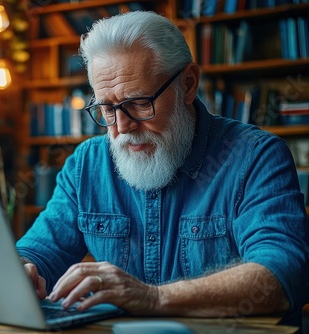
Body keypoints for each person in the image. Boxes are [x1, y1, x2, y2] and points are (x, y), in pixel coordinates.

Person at [16, 10, 309, 327]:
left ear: (188, 84)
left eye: (140, 102)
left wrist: (152, 298)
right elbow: (39, 251)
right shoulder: (86, 165)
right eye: (107, 108)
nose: (123, 127)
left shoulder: (255, 157)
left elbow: (284, 274)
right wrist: (22, 267)